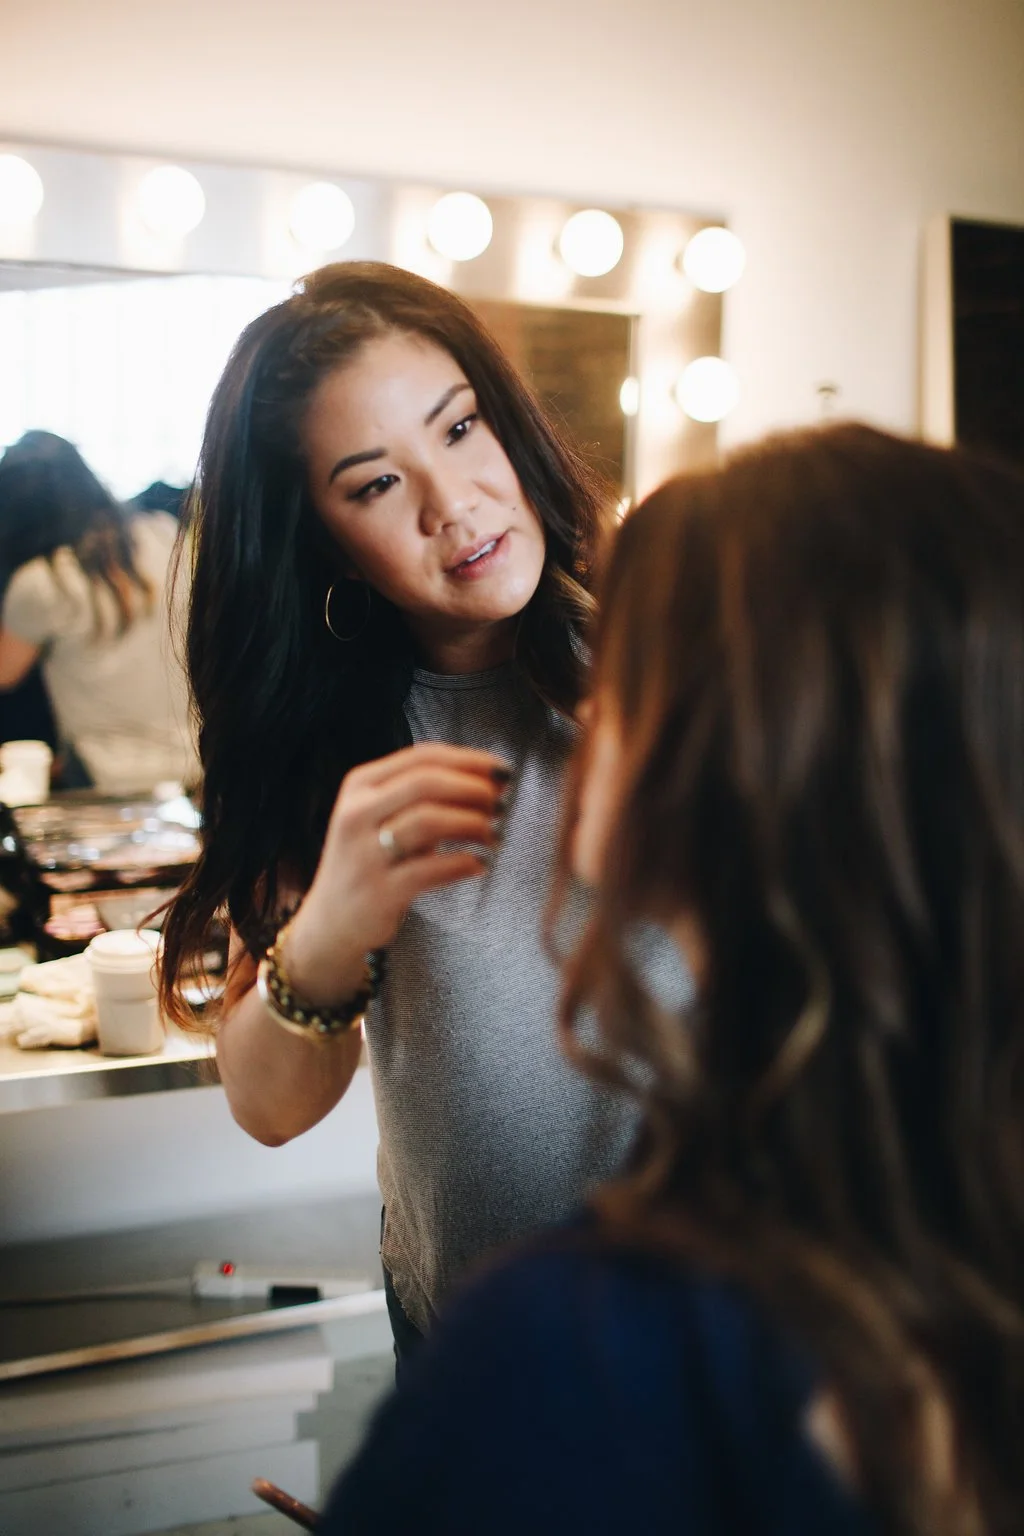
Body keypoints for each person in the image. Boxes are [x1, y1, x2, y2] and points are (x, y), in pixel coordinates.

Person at [320, 423, 1024, 1536]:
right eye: (372, 477)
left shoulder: (573, 1353)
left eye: (631, 676)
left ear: (738, 766)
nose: (586, 713)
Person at [159, 261, 663, 1364]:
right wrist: (333, 923)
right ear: (321, 538)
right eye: (375, 485)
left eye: (460, 428)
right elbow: (272, 1107)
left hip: (722, 1324)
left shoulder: (671, 649)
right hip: (475, 1334)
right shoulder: (321, 747)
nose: (455, 505)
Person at [0, 431, 196, 793]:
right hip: (195, 762)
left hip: (103, 777)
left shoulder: (44, 581)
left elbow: (5, 673)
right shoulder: (165, 535)